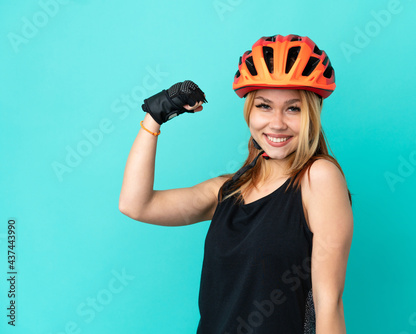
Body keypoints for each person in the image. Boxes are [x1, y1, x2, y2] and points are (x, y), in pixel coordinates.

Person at [119, 34, 353, 334]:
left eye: (293, 108)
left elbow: (328, 303)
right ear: (249, 111)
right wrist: (154, 116)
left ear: (312, 113)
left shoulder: (318, 178)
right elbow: (136, 204)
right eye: (264, 106)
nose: (277, 122)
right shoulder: (228, 190)